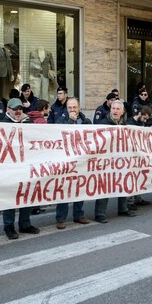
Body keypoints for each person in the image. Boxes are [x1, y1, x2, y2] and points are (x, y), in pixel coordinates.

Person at [0, 98, 41, 239]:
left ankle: (25, 224)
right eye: (14, 108)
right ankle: (9, 226)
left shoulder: (28, 122)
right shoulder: (2, 124)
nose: (18, 111)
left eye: (20, 108)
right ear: (8, 109)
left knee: (26, 194)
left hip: (26, 165)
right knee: (10, 196)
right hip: (9, 168)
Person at [94, 100, 137, 222]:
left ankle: (123, 209)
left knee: (124, 182)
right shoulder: (103, 124)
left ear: (122, 111)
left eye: (118, 109)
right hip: (106, 161)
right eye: (113, 108)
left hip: (121, 160)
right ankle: (100, 214)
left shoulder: (125, 125)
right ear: (110, 110)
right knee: (105, 186)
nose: (115, 111)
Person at [54, 97, 92, 228]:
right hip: (66, 161)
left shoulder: (86, 121)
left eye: (74, 107)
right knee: (64, 189)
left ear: (79, 108)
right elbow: (58, 134)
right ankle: (61, 218)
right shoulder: (60, 120)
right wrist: (71, 121)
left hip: (81, 160)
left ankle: (78, 215)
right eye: (69, 107)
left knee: (80, 187)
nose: (72, 110)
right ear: (66, 109)